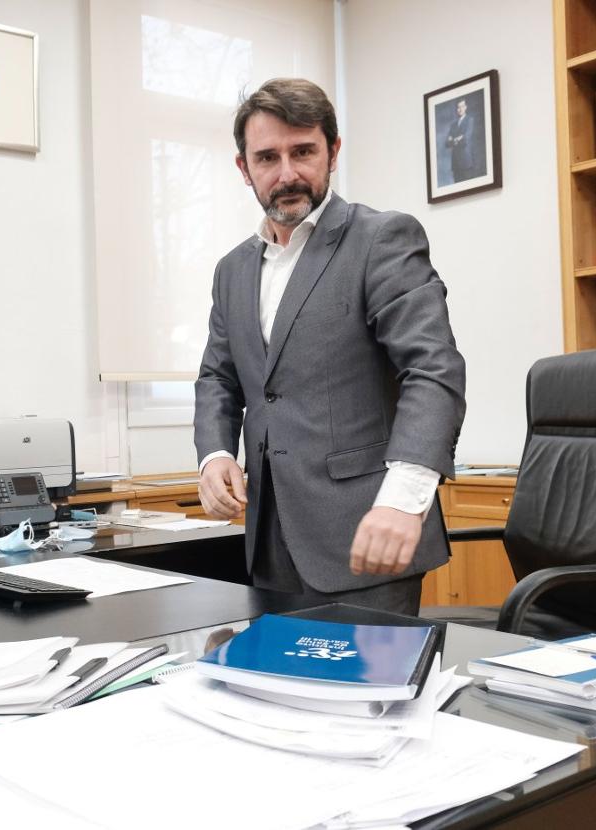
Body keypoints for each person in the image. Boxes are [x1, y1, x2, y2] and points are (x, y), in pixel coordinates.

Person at [194, 78, 466, 615]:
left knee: (368, 699)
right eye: (267, 157)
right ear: (243, 168)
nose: (287, 173)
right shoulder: (232, 270)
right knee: (272, 694)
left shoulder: (381, 239)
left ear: (333, 152)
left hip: (368, 533)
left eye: (304, 152)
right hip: (268, 540)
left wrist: (404, 501)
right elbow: (218, 377)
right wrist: (215, 453)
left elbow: (432, 370)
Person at [445, 98, 481, 182]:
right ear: (456, 109)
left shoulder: (470, 120)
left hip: (466, 162)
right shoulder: (453, 125)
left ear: (466, 107)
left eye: (462, 106)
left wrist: (453, 139)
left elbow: (465, 140)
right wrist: (458, 138)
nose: (460, 109)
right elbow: (447, 144)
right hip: (455, 164)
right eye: (458, 107)